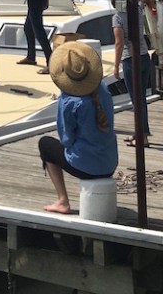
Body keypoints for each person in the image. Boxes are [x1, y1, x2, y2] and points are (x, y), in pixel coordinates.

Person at [38, 41, 118, 214]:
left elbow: (66, 140)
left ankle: (63, 201)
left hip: (86, 167)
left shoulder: (69, 101)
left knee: (45, 144)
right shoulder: (103, 88)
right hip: (109, 163)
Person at [111, 0, 156, 147]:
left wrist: (116, 66)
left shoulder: (117, 17)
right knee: (141, 99)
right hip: (144, 57)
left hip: (130, 60)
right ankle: (141, 132)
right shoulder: (137, 10)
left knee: (136, 101)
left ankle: (142, 137)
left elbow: (119, 43)